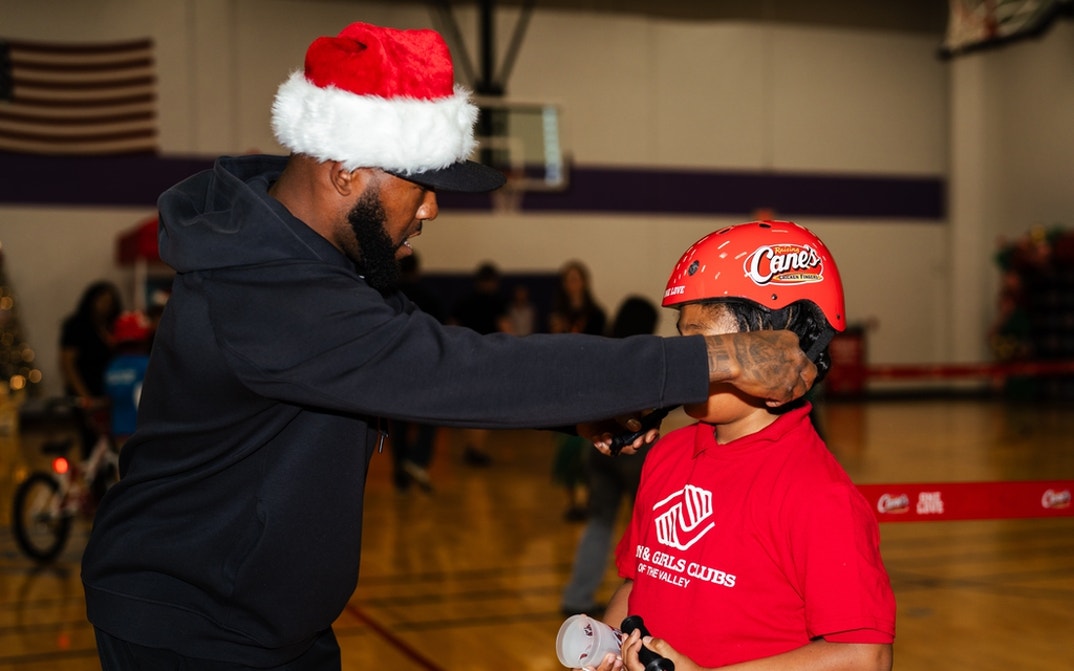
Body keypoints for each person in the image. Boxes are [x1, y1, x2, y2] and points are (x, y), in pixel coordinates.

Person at [80, 22, 816, 671]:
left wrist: (578, 415)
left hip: (265, 619)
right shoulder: (266, 293)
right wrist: (713, 358)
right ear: (345, 173)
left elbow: (425, 362)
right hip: (195, 628)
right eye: (421, 186)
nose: (431, 208)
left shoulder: (314, 267)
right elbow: (461, 372)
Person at [590, 221, 895, 671]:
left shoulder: (817, 494)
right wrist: (608, 646)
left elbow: (865, 656)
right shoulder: (669, 454)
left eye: (701, 345)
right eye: (681, 339)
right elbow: (640, 583)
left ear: (778, 353)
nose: (682, 361)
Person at [561, 295, 659, 615]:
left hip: (599, 450)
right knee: (648, 532)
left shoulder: (602, 352)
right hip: (636, 452)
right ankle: (648, 603)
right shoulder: (647, 357)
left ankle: (577, 597)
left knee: (599, 523)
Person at [550, 260, 609, 518]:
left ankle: (587, 499)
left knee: (585, 445)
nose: (572, 284)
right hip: (563, 386)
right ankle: (571, 501)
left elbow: (602, 349)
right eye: (568, 279)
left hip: (589, 385)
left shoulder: (596, 314)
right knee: (565, 446)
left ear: (584, 282)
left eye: (576, 278)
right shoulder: (557, 314)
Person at [389, 252, 444, 491]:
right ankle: (417, 459)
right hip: (424, 363)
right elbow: (441, 331)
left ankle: (400, 475)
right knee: (429, 417)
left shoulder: (387, 296)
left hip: (395, 366)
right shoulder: (430, 296)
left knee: (398, 423)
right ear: (418, 270)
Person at [449, 261, 512, 466]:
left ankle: (471, 447)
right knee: (484, 407)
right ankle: (476, 449)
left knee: (469, 405)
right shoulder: (497, 302)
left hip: (465, 357)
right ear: (494, 281)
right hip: (488, 358)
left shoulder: (463, 301)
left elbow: (451, 328)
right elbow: (506, 329)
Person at [59, 280, 122, 458]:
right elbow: (67, 364)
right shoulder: (76, 326)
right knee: (91, 443)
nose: (105, 306)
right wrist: (84, 396)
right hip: (86, 392)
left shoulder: (113, 326)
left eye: (110, 302)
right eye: (102, 301)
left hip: (109, 394)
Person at [102, 310, 153, 448]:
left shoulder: (112, 366)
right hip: (145, 433)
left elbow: (109, 399)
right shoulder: (148, 365)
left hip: (119, 432)